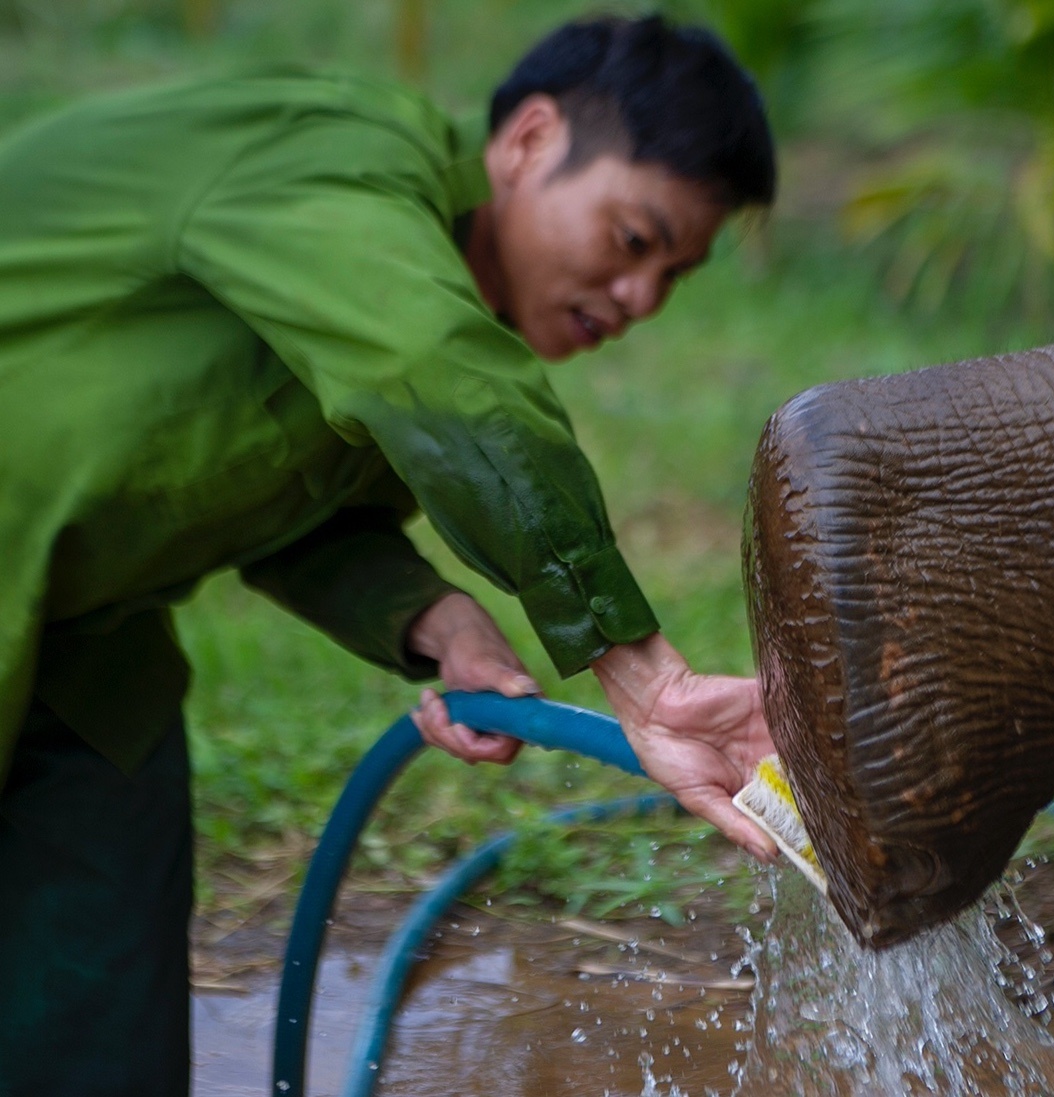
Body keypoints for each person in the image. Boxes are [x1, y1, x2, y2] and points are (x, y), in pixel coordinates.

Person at [0, 15, 780, 1095]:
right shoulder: (341, 156)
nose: (642, 298)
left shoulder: (407, 301)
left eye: (674, 276)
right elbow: (427, 366)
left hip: (81, 640)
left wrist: (440, 622)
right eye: (635, 240)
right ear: (530, 140)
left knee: (103, 992)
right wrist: (642, 673)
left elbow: (303, 515)